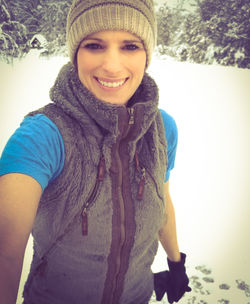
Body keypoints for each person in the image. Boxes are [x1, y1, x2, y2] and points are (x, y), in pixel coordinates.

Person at [0, 0, 191, 303]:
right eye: (94, 45)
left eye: (130, 46)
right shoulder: (43, 136)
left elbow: (162, 198)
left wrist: (175, 261)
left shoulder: (162, 130)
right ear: (75, 53)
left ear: (147, 55)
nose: (112, 65)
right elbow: (5, 253)